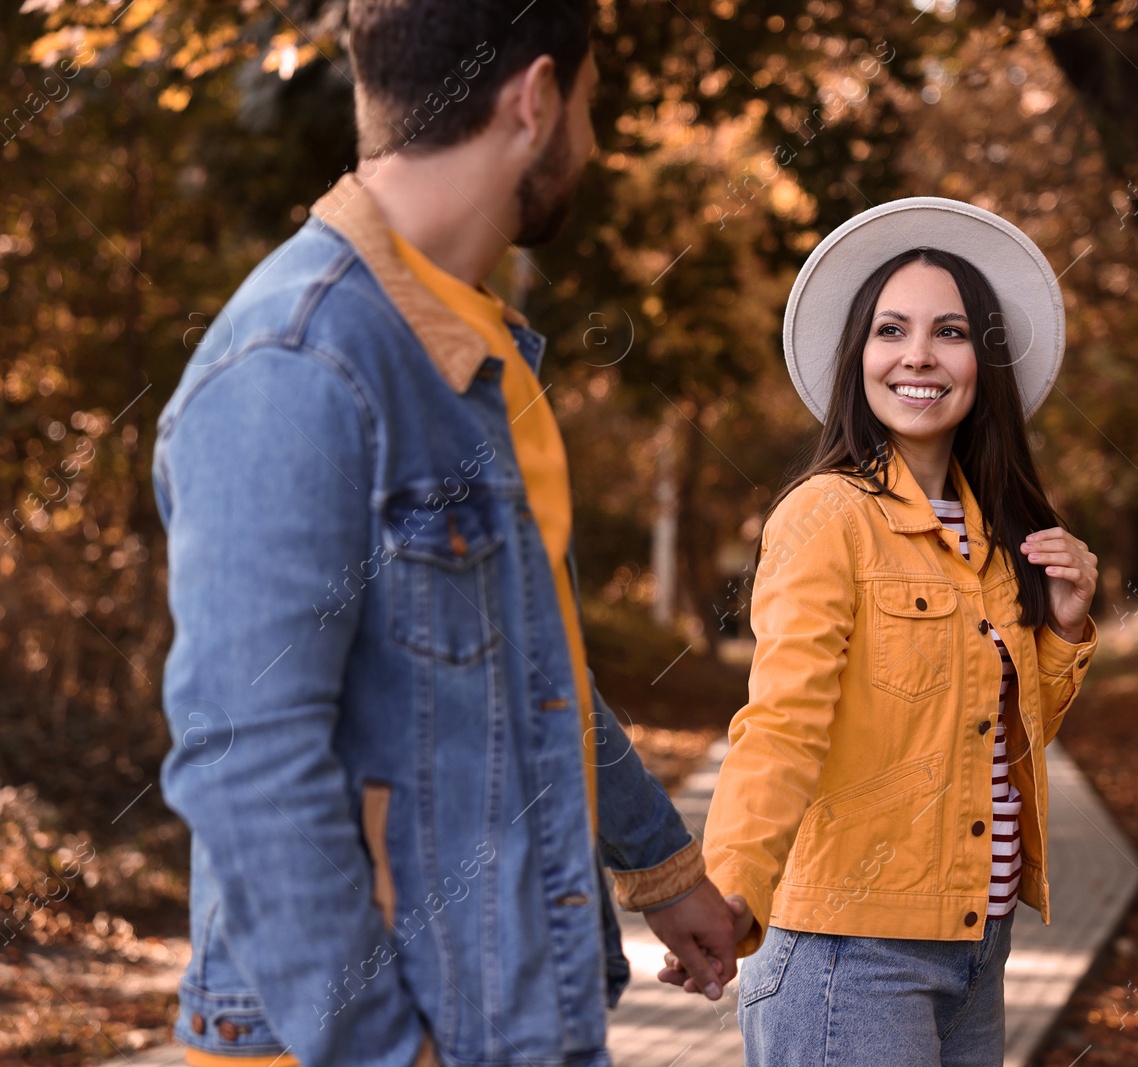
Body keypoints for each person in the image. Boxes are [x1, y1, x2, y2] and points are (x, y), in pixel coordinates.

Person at [153, 3, 738, 1066]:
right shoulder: (297, 361)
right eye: (593, 107)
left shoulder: (475, 354)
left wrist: (663, 868)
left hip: (511, 1002)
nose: (595, 145)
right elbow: (245, 758)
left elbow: (535, 664)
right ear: (538, 99)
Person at [659, 199, 1101, 1065]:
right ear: (858, 355)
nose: (919, 355)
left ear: (985, 361)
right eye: (891, 329)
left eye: (950, 332)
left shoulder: (998, 535)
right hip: (851, 958)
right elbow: (781, 722)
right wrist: (732, 888)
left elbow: (1005, 739)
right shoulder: (828, 516)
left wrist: (1064, 632)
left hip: (978, 947)